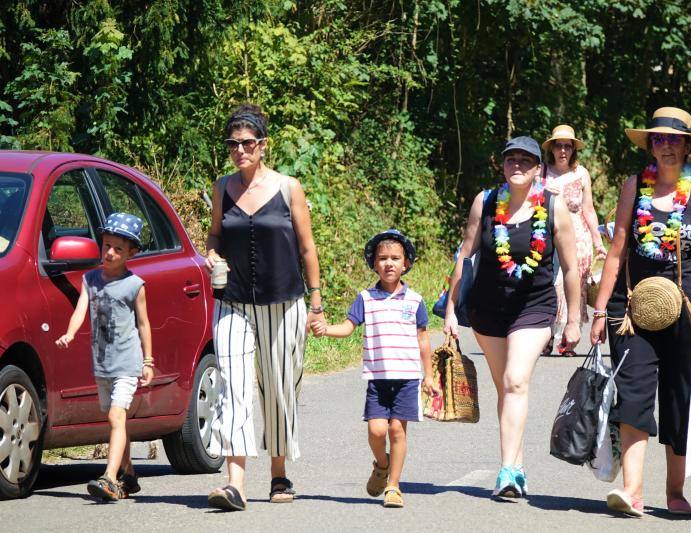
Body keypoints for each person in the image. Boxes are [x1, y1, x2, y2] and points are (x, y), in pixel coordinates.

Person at [590, 107, 691, 517]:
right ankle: (632, 491)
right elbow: (616, 251)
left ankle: (674, 491)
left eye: (673, 140)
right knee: (632, 392)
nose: (665, 146)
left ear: (687, 146)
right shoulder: (634, 187)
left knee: (678, 398)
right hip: (633, 307)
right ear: (650, 145)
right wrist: (600, 310)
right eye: (658, 139)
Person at [443, 136, 581, 498]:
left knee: (516, 380)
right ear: (502, 165)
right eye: (510, 159)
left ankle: (506, 472)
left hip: (534, 307)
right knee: (505, 387)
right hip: (488, 309)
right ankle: (516, 464)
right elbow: (466, 254)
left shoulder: (553, 207)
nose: (517, 164)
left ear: (538, 168)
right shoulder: (485, 203)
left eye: (526, 160)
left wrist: (573, 319)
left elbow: (569, 268)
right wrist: (451, 309)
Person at [204, 103, 325, 511]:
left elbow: (307, 247)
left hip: (284, 301)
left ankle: (278, 473)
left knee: (277, 388)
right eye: (233, 144)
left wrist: (317, 300)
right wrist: (212, 255)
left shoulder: (289, 187)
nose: (240, 150)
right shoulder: (223, 188)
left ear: (263, 145)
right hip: (233, 300)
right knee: (232, 387)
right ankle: (234, 483)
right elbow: (215, 235)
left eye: (247, 142)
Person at [311, 229, 434, 509]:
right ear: (374, 264)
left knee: (397, 432)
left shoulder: (414, 301)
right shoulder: (365, 298)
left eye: (395, 258)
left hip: (406, 379)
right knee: (377, 432)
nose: (389, 263)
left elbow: (423, 339)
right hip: (377, 379)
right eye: (383, 258)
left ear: (406, 264)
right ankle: (382, 464)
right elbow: (348, 327)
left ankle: (393, 485)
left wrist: (428, 375)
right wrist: (325, 329)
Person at [56, 213, 153, 501]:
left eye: (118, 249)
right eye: (107, 245)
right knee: (115, 421)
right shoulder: (90, 279)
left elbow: (144, 324)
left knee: (115, 415)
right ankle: (129, 474)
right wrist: (70, 333)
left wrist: (148, 361)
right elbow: (80, 310)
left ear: (131, 253)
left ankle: (109, 478)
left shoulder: (135, 285)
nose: (110, 253)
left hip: (127, 362)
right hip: (102, 363)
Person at [542, 124, 607, 355]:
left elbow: (588, 210)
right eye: (558, 146)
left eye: (567, 146)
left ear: (573, 150)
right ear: (551, 149)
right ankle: (548, 335)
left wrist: (598, 242)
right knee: (551, 285)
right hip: (548, 237)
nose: (562, 151)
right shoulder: (542, 172)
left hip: (578, 238)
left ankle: (569, 339)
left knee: (573, 287)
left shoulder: (581, 173)